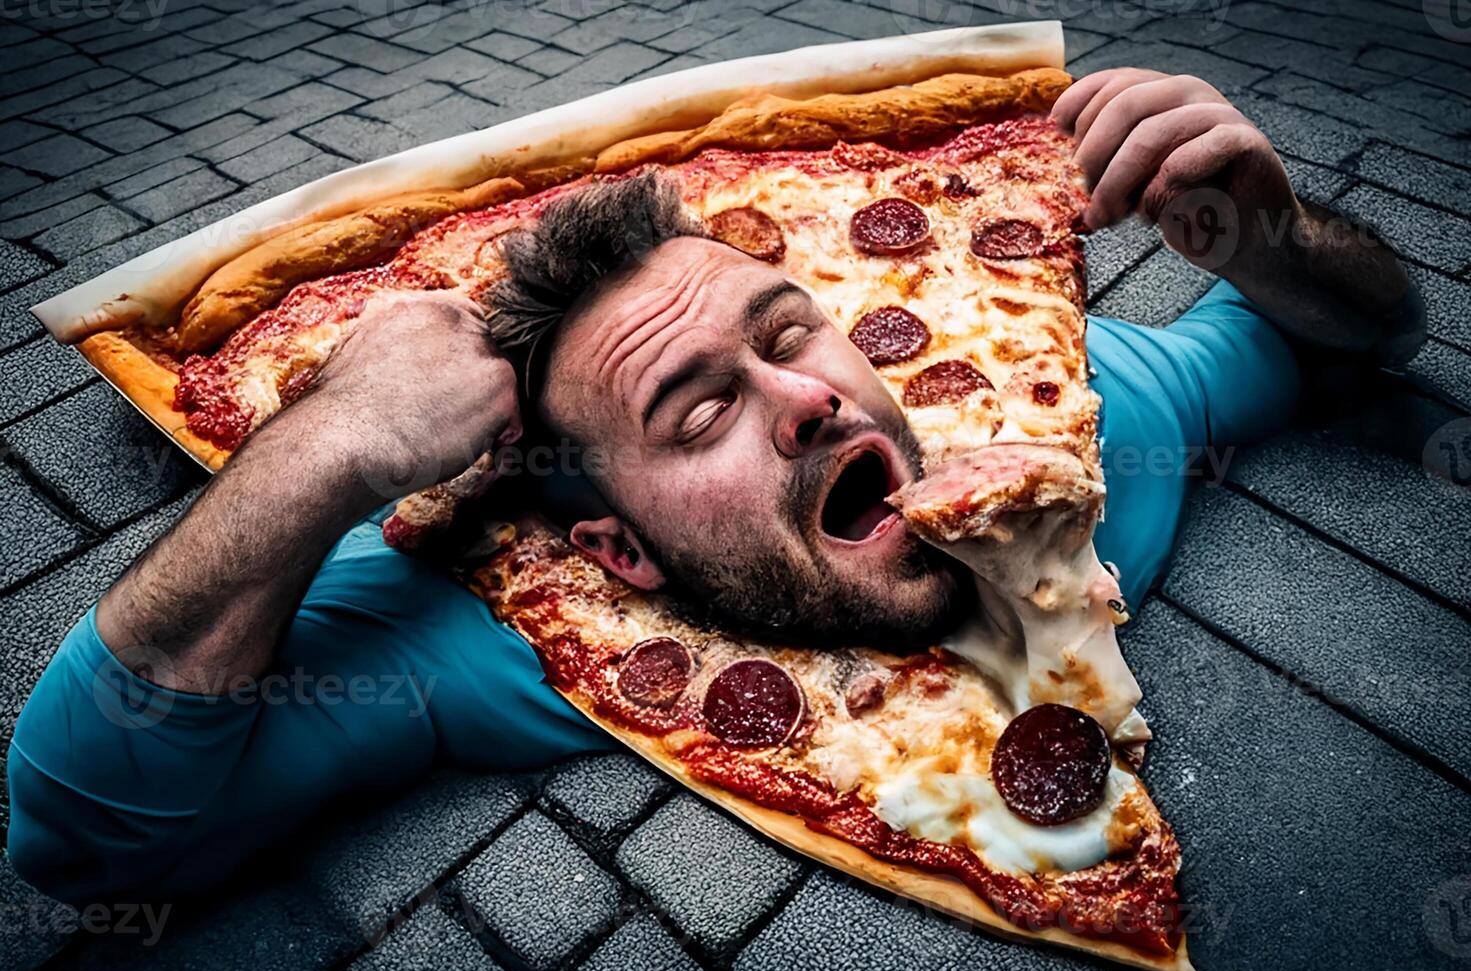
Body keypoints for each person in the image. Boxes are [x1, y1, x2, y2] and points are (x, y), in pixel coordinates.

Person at [7, 69, 1422, 903]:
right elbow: (81, 832)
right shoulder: (523, 626)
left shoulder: (1069, 402)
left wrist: (1273, 230)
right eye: (697, 412)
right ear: (617, 550)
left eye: (790, 332)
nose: (808, 399)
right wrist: (324, 443)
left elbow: (1358, 336)